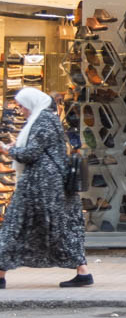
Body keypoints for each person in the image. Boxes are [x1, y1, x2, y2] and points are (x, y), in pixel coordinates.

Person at [0, 89, 91, 289]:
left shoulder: (42, 120)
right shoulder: (45, 119)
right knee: (58, 226)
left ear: (32, 103)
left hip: (41, 184)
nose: (21, 110)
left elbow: (30, 154)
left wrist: (8, 150)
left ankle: (0, 273)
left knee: (15, 225)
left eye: (23, 105)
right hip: (49, 183)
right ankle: (83, 271)